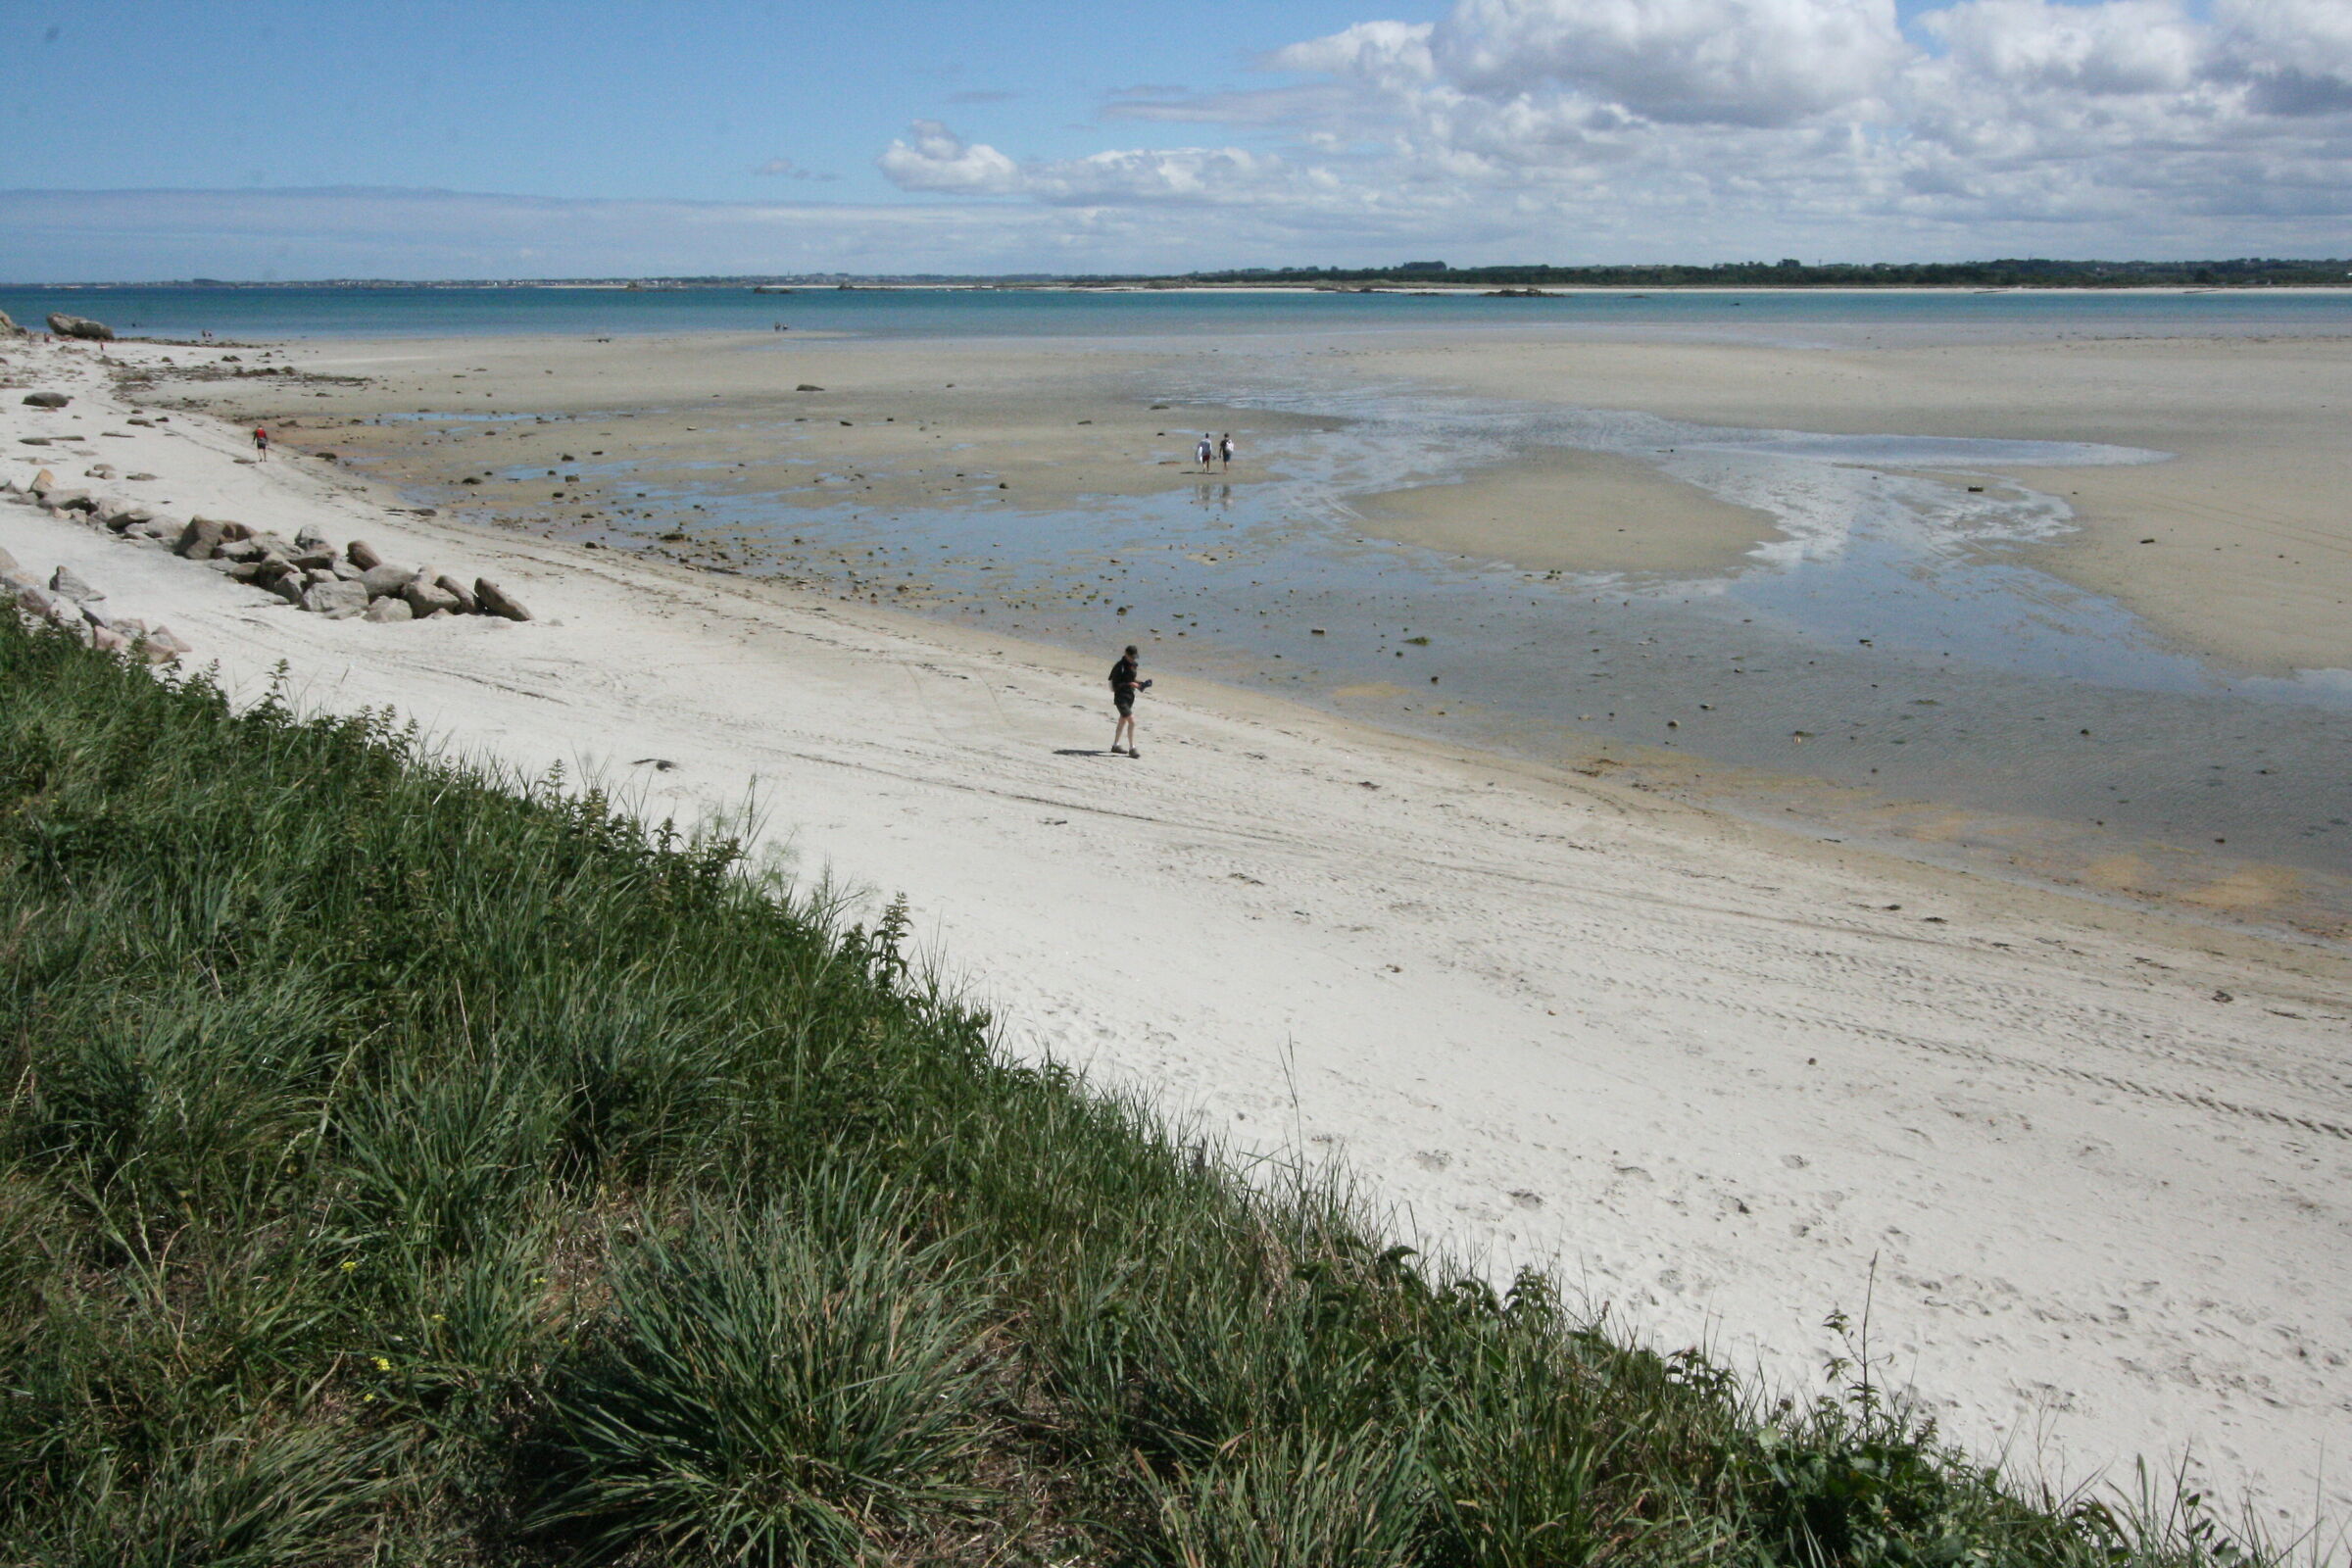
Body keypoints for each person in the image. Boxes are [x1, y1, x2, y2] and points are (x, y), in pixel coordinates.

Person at [1108, 644, 1150, 758]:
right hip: (1120, 697)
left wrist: (1140, 684)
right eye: (1132, 656)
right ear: (1126, 654)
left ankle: (1115, 745)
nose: (1133, 659)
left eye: (1134, 657)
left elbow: (1131, 679)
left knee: (1122, 720)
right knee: (1132, 721)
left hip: (1129, 696)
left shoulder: (1133, 665)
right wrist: (1130, 684)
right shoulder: (1119, 666)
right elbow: (1115, 684)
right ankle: (1132, 748)